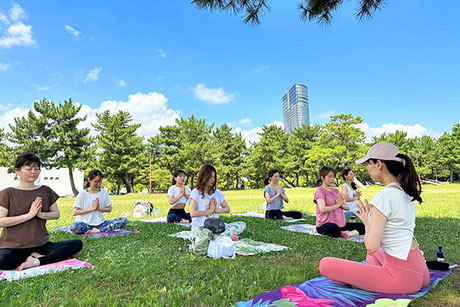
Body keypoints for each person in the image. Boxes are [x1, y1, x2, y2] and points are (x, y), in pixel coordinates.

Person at [319, 143, 430, 294]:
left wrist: (367, 223)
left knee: (325, 265)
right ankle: (371, 277)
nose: (367, 168)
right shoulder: (405, 192)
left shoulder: (384, 196)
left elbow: (371, 245)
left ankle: (368, 280)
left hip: (401, 280)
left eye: (368, 164)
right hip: (420, 272)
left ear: (379, 164)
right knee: (373, 254)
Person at [0, 152, 83, 271]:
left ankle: (37, 260)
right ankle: (36, 257)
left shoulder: (45, 190)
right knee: (2, 260)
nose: (34, 172)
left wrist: (40, 214)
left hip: (41, 245)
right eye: (29, 168)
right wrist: (29, 216)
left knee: (76, 244)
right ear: (17, 171)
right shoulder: (7, 193)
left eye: (37, 168)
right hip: (14, 247)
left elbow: (56, 214)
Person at [189, 164, 245, 241]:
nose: (212, 180)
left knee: (241, 225)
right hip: (201, 228)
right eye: (209, 177)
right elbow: (193, 213)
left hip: (217, 228)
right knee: (202, 238)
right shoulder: (196, 192)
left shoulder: (217, 192)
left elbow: (227, 209)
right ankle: (224, 238)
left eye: (214, 177)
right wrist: (209, 211)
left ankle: (220, 237)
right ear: (203, 177)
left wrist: (215, 210)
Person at [70, 169, 127, 234]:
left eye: (100, 181)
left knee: (123, 220)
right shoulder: (82, 193)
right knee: (74, 226)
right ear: (89, 180)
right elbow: (75, 212)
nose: (98, 184)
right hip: (85, 224)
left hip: (100, 224)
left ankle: (98, 230)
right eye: (96, 181)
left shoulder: (103, 193)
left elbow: (109, 209)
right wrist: (92, 209)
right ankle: (93, 230)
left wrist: (98, 208)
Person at [313, 167, 365, 239]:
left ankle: (348, 234)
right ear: (322, 178)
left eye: (334, 177)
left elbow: (347, 207)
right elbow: (323, 209)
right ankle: (342, 232)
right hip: (324, 224)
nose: (332, 179)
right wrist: (337, 205)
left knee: (364, 226)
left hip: (341, 224)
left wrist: (341, 205)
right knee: (333, 228)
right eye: (330, 177)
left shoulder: (336, 191)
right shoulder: (320, 191)